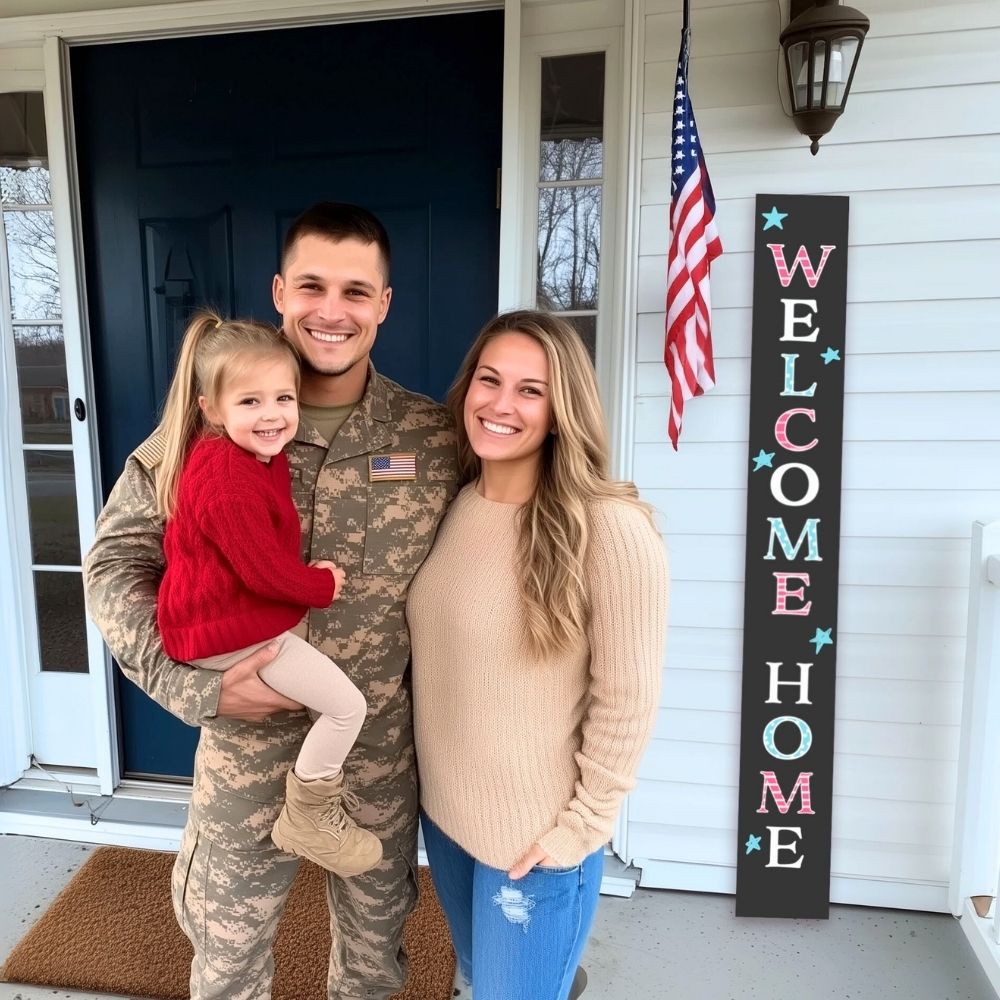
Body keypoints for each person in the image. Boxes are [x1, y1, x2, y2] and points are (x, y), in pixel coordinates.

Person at [84, 203, 459, 1000]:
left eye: (357, 292)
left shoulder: (433, 437)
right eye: (314, 286)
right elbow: (116, 566)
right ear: (281, 291)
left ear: (384, 305)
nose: (333, 310)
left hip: (376, 755)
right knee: (227, 960)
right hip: (245, 754)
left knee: (373, 963)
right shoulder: (206, 429)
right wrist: (197, 685)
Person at [408, 310, 669, 1000]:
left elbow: (628, 697)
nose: (500, 404)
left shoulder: (611, 527)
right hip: (448, 819)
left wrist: (580, 829)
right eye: (489, 380)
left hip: (537, 843)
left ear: (561, 412)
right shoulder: (455, 504)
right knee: (476, 976)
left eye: (531, 390)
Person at [153, 310, 380, 876]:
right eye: (250, 402)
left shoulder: (252, 456)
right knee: (347, 706)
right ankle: (308, 811)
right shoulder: (227, 476)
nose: (273, 415)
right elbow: (263, 573)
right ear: (210, 408)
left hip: (230, 621)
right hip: (227, 636)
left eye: (284, 398)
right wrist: (320, 584)